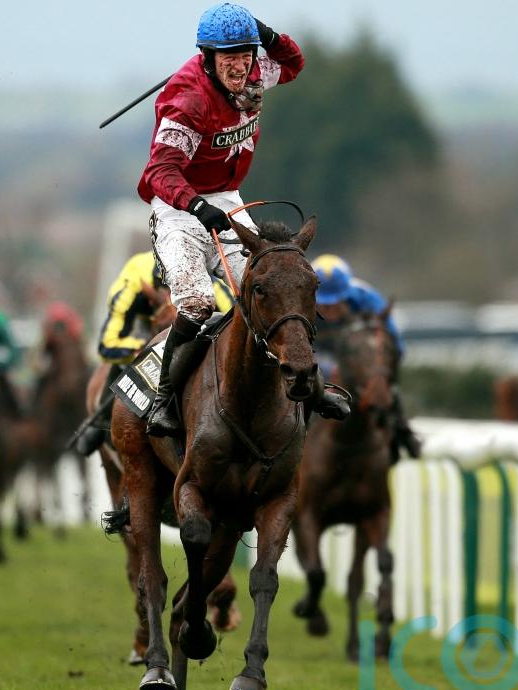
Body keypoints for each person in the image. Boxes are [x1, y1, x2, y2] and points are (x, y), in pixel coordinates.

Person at [138, 2, 348, 435]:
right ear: (208, 58)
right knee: (198, 304)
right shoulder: (188, 100)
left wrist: (265, 34)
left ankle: (312, 387)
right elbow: (161, 172)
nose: (239, 67)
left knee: (273, 283)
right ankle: (162, 399)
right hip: (179, 206)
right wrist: (198, 207)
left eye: (246, 54)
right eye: (228, 57)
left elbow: (293, 63)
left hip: (227, 198)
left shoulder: (255, 73)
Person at [72, 251, 233, 456]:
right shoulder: (133, 284)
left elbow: (235, 322)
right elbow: (107, 346)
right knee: (129, 361)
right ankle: (103, 421)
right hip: (144, 325)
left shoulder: (210, 284)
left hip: (193, 324)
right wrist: (140, 349)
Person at [312, 253, 420, 461]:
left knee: (383, 385)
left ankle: (402, 430)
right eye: (323, 304)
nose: (329, 311)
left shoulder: (368, 300)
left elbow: (393, 344)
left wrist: (382, 373)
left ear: (346, 296)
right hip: (319, 353)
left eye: (335, 303)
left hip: (360, 360)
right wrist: (326, 368)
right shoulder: (301, 298)